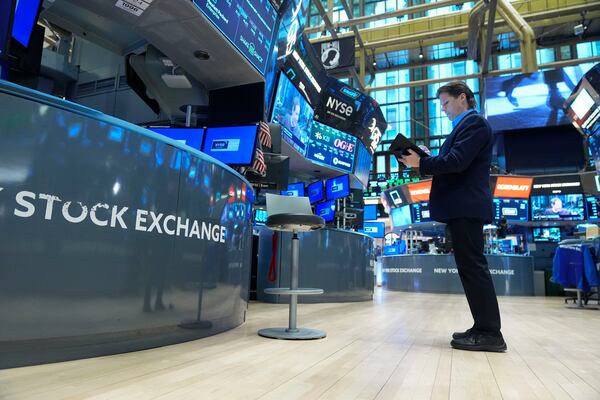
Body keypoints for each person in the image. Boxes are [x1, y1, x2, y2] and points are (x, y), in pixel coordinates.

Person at [399, 81, 506, 352]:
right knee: (470, 269)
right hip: (462, 209)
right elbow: (453, 160)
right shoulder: (465, 127)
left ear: (462, 98)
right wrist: (426, 159)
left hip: (466, 208)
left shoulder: (475, 125)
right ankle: (482, 326)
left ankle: (490, 332)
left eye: (445, 103)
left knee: (474, 269)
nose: (443, 109)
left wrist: (420, 163)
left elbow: (456, 162)